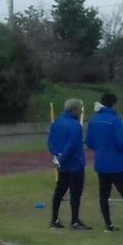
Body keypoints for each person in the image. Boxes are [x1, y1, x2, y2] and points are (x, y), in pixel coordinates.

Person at [86, 93, 123, 231]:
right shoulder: (115, 120)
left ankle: (108, 224)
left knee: (104, 194)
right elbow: (121, 141)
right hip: (117, 163)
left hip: (101, 163)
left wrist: (101, 149)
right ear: (113, 104)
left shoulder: (94, 120)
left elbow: (89, 142)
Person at [47, 98, 90, 230]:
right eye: (79, 109)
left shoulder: (57, 123)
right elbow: (72, 145)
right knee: (75, 193)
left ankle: (54, 219)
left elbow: (50, 142)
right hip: (74, 164)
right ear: (75, 110)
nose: (81, 111)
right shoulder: (76, 126)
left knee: (59, 191)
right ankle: (75, 220)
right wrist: (63, 157)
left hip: (62, 164)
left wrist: (57, 156)